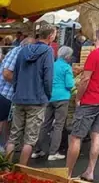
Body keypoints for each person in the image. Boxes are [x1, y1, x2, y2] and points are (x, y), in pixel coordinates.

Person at [66, 28, 99, 182]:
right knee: (96, 135)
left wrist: (78, 97)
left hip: (90, 100)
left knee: (76, 137)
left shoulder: (94, 54)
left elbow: (84, 80)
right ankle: (90, 171)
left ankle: (67, 174)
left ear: (96, 38)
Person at [6, 23, 56, 165]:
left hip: (19, 97)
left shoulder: (23, 50)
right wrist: (47, 95)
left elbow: (15, 75)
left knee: (13, 136)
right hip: (37, 99)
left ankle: (6, 169)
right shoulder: (47, 51)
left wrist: (17, 91)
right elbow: (48, 77)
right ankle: (21, 170)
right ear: (51, 35)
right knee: (30, 139)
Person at [33, 45, 75, 161]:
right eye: (70, 56)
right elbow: (70, 84)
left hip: (49, 97)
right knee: (58, 126)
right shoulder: (66, 67)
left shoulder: (52, 65)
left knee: (45, 124)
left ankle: (37, 150)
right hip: (62, 98)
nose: (71, 58)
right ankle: (53, 152)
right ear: (67, 56)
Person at [0, 35, 34, 148]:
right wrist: (21, 82)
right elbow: (7, 74)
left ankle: (4, 146)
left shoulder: (16, 51)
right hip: (5, 93)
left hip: (6, 93)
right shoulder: (18, 52)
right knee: (3, 120)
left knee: (5, 120)